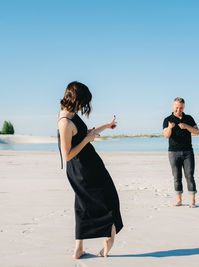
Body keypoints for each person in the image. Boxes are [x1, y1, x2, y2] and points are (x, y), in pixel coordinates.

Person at [57, 81, 123, 259]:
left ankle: (79, 248)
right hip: (82, 169)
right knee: (107, 198)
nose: (85, 106)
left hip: (89, 165)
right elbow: (67, 155)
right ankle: (109, 233)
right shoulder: (65, 122)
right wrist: (87, 140)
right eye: (84, 102)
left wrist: (106, 126)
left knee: (82, 205)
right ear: (76, 99)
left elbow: (85, 134)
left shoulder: (70, 114)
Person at [163, 97, 199, 208]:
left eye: (181, 108)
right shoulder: (167, 119)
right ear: (173, 106)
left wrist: (186, 126)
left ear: (184, 107)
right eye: (177, 107)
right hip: (173, 152)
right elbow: (166, 135)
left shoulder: (188, 118)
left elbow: (197, 131)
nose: (179, 110)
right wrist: (170, 127)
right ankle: (179, 200)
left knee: (189, 176)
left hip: (188, 152)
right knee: (177, 176)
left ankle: (192, 201)